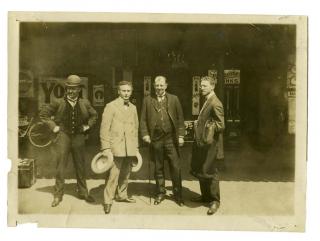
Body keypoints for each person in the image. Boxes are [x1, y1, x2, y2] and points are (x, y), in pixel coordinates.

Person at [39, 75, 98, 207]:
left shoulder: (85, 103)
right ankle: (58, 195)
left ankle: (83, 192)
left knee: (80, 166)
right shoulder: (57, 102)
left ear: (79, 89)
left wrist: (87, 125)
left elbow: (94, 115)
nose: (71, 91)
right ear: (66, 89)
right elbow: (44, 114)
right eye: (69, 88)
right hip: (63, 137)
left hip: (78, 137)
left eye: (74, 89)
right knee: (60, 166)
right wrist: (54, 127)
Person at [140, 75, 185, 206]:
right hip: (156, 139)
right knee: (158, 167)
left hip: (171, 138)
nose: (159, 88)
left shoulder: (174, 99)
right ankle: (160, 192)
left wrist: (181, 135)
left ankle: (178, 195)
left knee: (176, 167)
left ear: (166, 86)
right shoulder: (148, 100)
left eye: (161, 85)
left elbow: (180, 119)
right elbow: (143, 119)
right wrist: (145, 134)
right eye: (157, 85)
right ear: (154, 86)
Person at [100, 81, 139, 214]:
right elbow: (104, 129)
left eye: (128, 91)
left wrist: (136, 147)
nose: (126, 93)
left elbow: (136, 128)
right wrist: (105, 148)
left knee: (126, 173)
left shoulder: (133, 107)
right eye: (123, 91)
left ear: (131, 92)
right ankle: (107, 200)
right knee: (113, 175)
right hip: (116, 147)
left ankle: (122, 195)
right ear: (118, 92)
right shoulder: (110, 106)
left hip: (130, 147)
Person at [190, 76, 225, 215]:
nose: (201, 88)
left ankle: (215, 201)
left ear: (212, 87)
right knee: (201, 168)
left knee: (211, 171)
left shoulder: (215, 102)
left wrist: (205, 127)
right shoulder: (207, 100)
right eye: (201, 85)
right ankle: (205, 196)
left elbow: (221, 125)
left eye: (204, 86)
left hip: (211, 145)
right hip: (203, 143)